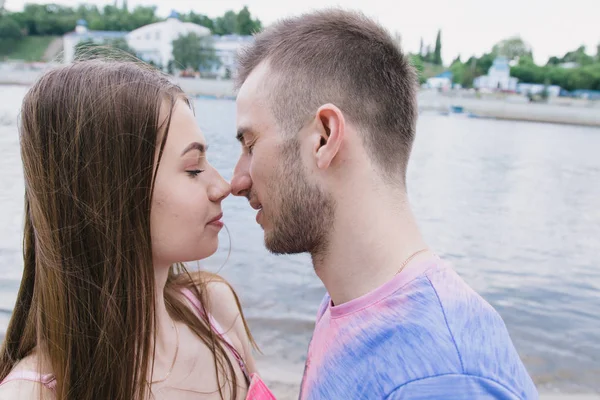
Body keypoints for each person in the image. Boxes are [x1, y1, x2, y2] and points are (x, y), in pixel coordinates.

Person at [231, 9, 538, 400]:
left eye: (251, 144)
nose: (236, 181)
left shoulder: (441, 377)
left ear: (325, 138)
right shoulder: (352, 304)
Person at [0, 59, 274, 400]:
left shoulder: (214, 309)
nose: (223, 186)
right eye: (193, 168)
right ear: (107, 192)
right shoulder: (31, 393)